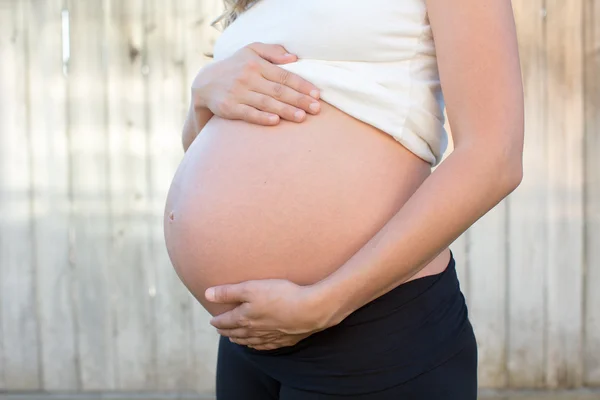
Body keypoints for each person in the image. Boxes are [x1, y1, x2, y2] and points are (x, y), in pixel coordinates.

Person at [164, 0, 524, 398]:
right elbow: (205, 152)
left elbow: (494, 157)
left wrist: (324, 303)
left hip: (369, 330)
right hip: (247, 339)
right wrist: (203, 96)